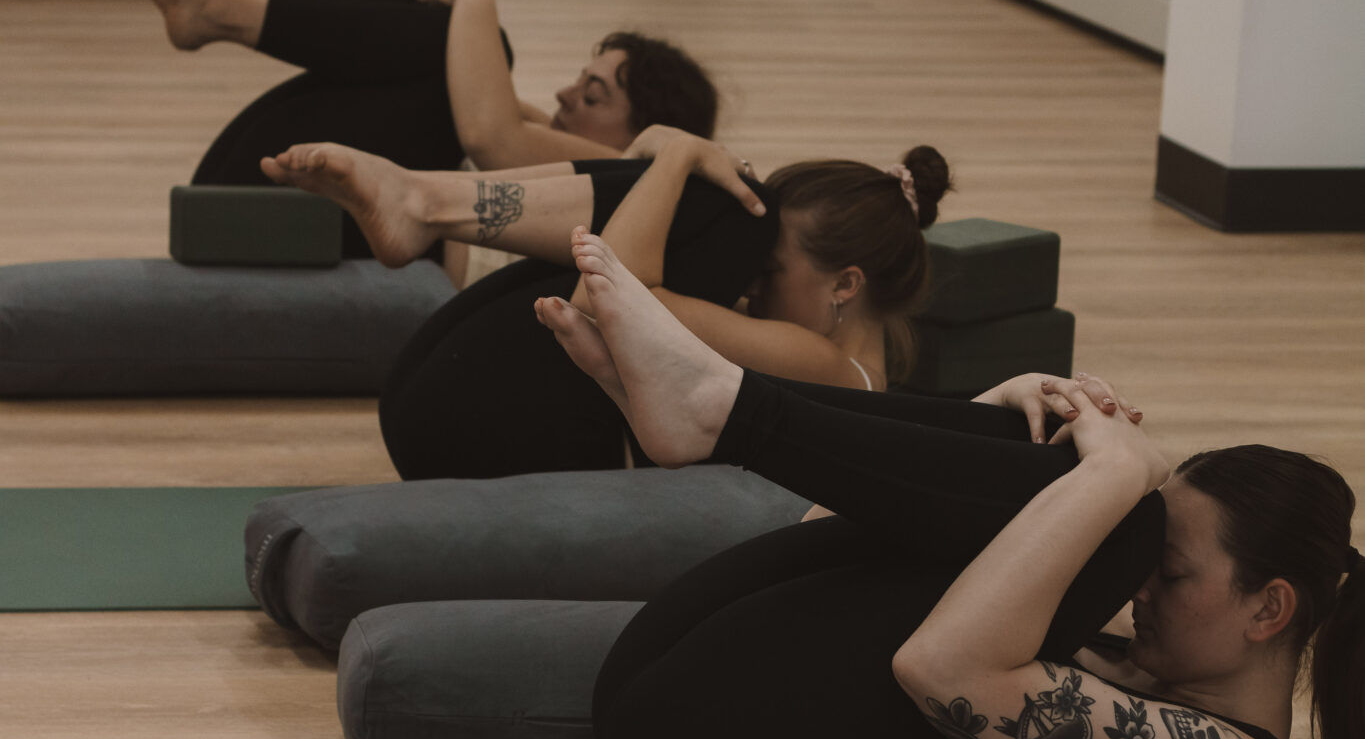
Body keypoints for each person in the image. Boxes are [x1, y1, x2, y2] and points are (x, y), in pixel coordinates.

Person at [532, 229, 1364, 739]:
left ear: (1269, 608)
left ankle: (722, 410)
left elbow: (939, 671)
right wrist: (987, 416)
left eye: (1172, 575)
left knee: (1117, 520)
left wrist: (1111, 486)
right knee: (1035, 455)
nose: (1142, 590)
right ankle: (710, 409)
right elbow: (828, 554)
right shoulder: (1141, 666)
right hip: (674, 731)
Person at [261, 127, 952, 479]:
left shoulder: (831, 369)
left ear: (846, 285)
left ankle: (426, 201)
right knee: (712, 208)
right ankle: (422, 201)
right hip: (450, 418)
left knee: (723, 210)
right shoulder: (831, 357)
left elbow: (614, 299)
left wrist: (678, 158)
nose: (752, 285)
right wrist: (667, 153)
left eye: (770, 269)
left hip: (493, 438)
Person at [121, 0, 719, 260]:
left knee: (471, 48)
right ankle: (224, 10)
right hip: (246, 199)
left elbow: (493, 137)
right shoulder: (573, 160)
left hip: (269, 216)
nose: (565, 95)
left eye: (593, 96)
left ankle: (226, 9)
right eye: (577, 81)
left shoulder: (627, 177)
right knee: (453, 54)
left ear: (648, 133)